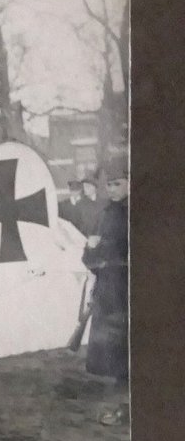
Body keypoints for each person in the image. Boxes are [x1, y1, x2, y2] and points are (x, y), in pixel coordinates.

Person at [84, 161, 129, 426]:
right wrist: (91, 251)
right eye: (109, 184)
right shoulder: (105, 214)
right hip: (111, 291)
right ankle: (122, 406)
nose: (112, 189)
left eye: (117, 183)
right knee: (116, 351)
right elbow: (89, 256)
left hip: (133, 289)